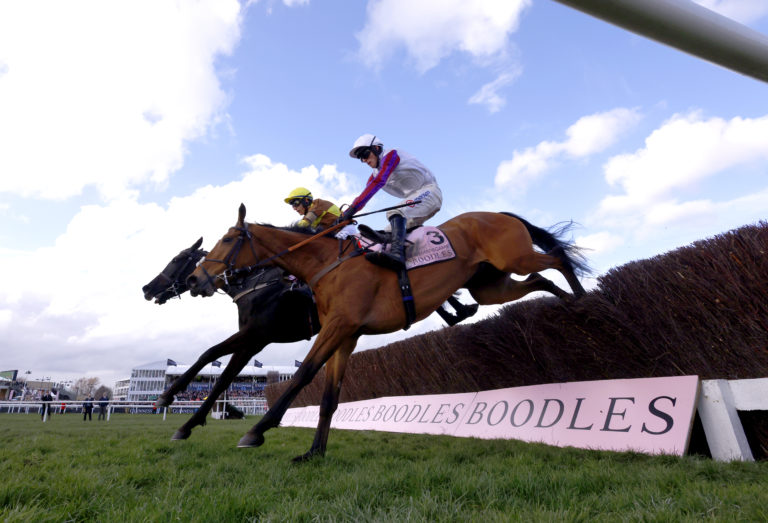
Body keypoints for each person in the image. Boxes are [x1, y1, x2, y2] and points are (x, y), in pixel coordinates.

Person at [344, 134, 442, 270]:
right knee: (388, 233)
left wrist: (352, 210)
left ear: (377, 148)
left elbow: (378, 182)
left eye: (365, 154)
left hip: (429, 191)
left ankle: (398, 255)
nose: (364, 160)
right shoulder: (374, 174)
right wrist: (344, 216)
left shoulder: (391, 155)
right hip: (416, 199)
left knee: (395, 212)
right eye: (361, 158)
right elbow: (366, 192)